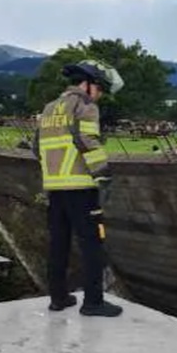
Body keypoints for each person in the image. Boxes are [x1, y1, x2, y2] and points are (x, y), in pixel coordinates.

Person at [32, 59, 124, 317]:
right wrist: (103, 176)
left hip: (55, 189)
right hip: (81, 188)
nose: (101, 95)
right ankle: (93, 302)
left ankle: (58, 299)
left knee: (58, 244)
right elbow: (87, 140)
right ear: (89, 84)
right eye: (100, 89)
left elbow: (35, 147)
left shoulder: (49, 108)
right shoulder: (85, 106)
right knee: (93, 244)